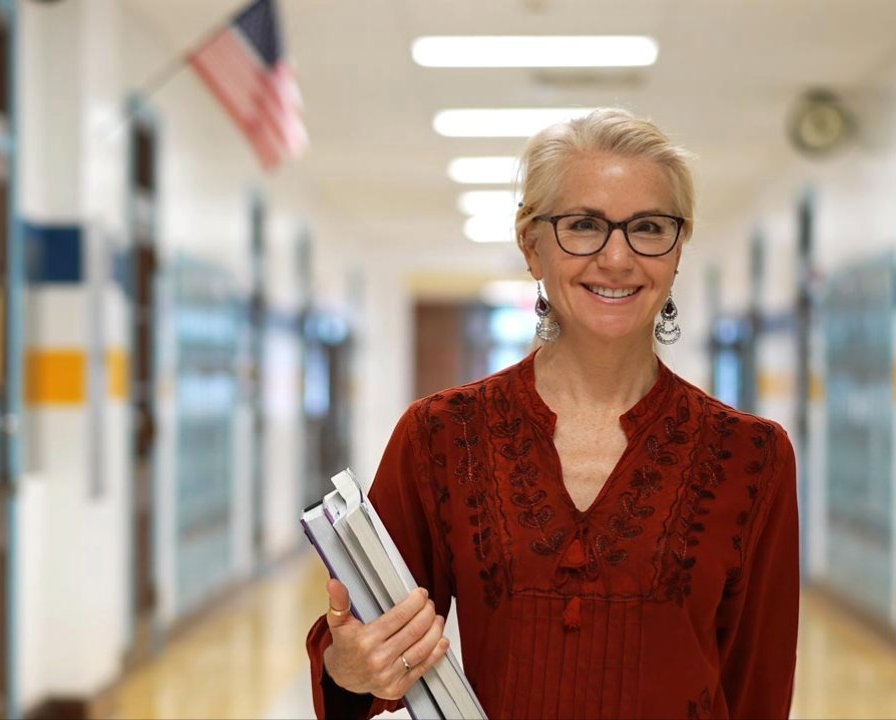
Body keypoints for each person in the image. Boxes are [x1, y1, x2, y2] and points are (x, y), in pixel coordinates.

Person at [304, 108, 800, 719]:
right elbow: (362, 656)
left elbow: (760, 689)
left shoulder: (751, 457)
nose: (617, 259)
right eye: (584, 225)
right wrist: (348, 668)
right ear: (531, 245)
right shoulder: (441, 437)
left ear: (678, 249)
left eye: (647, 227)